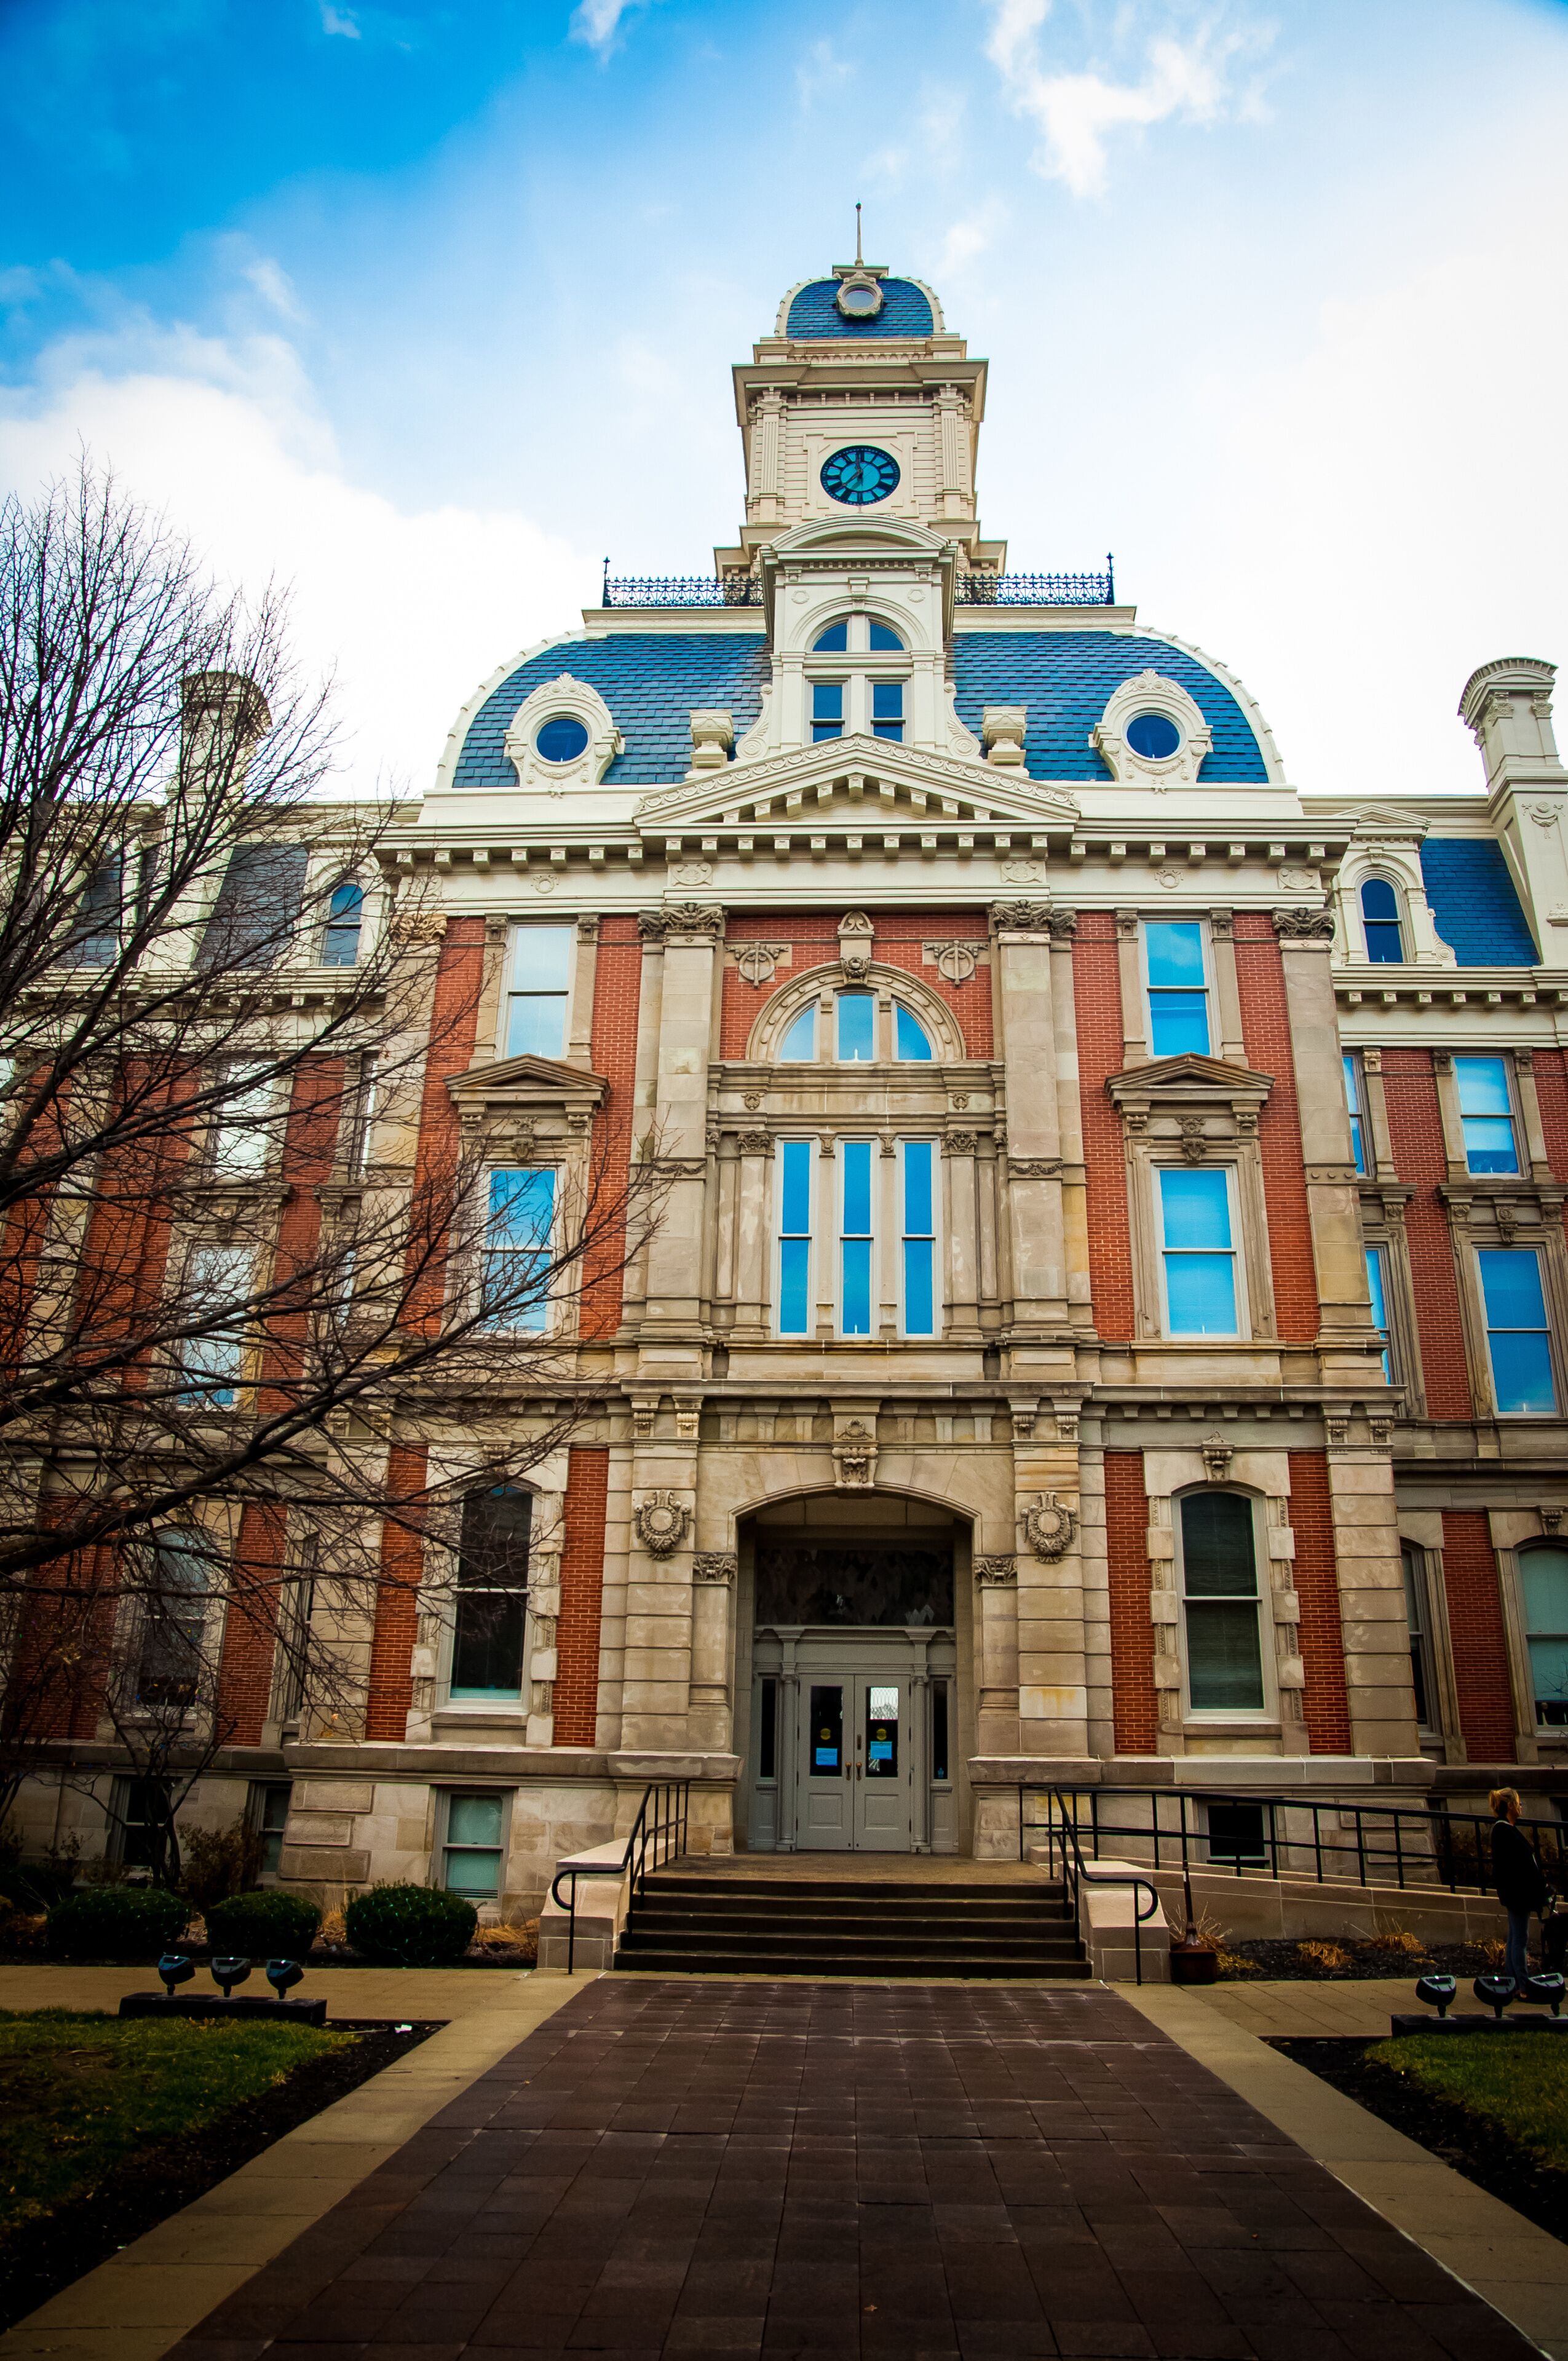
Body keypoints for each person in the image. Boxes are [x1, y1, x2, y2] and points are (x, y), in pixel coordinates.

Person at [1489, 1787, 1548, 1990]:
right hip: (1518, 1893)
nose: (1521, 1807)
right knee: (1519, 1938)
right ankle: (1521, 1984)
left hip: (1517, 1892)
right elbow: (1515, 1866)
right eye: (1519, 1803)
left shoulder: (1506, 1830)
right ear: (1511, 1806)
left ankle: (1513, 1982)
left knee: (1515, 1936)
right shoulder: (1504, 1831)